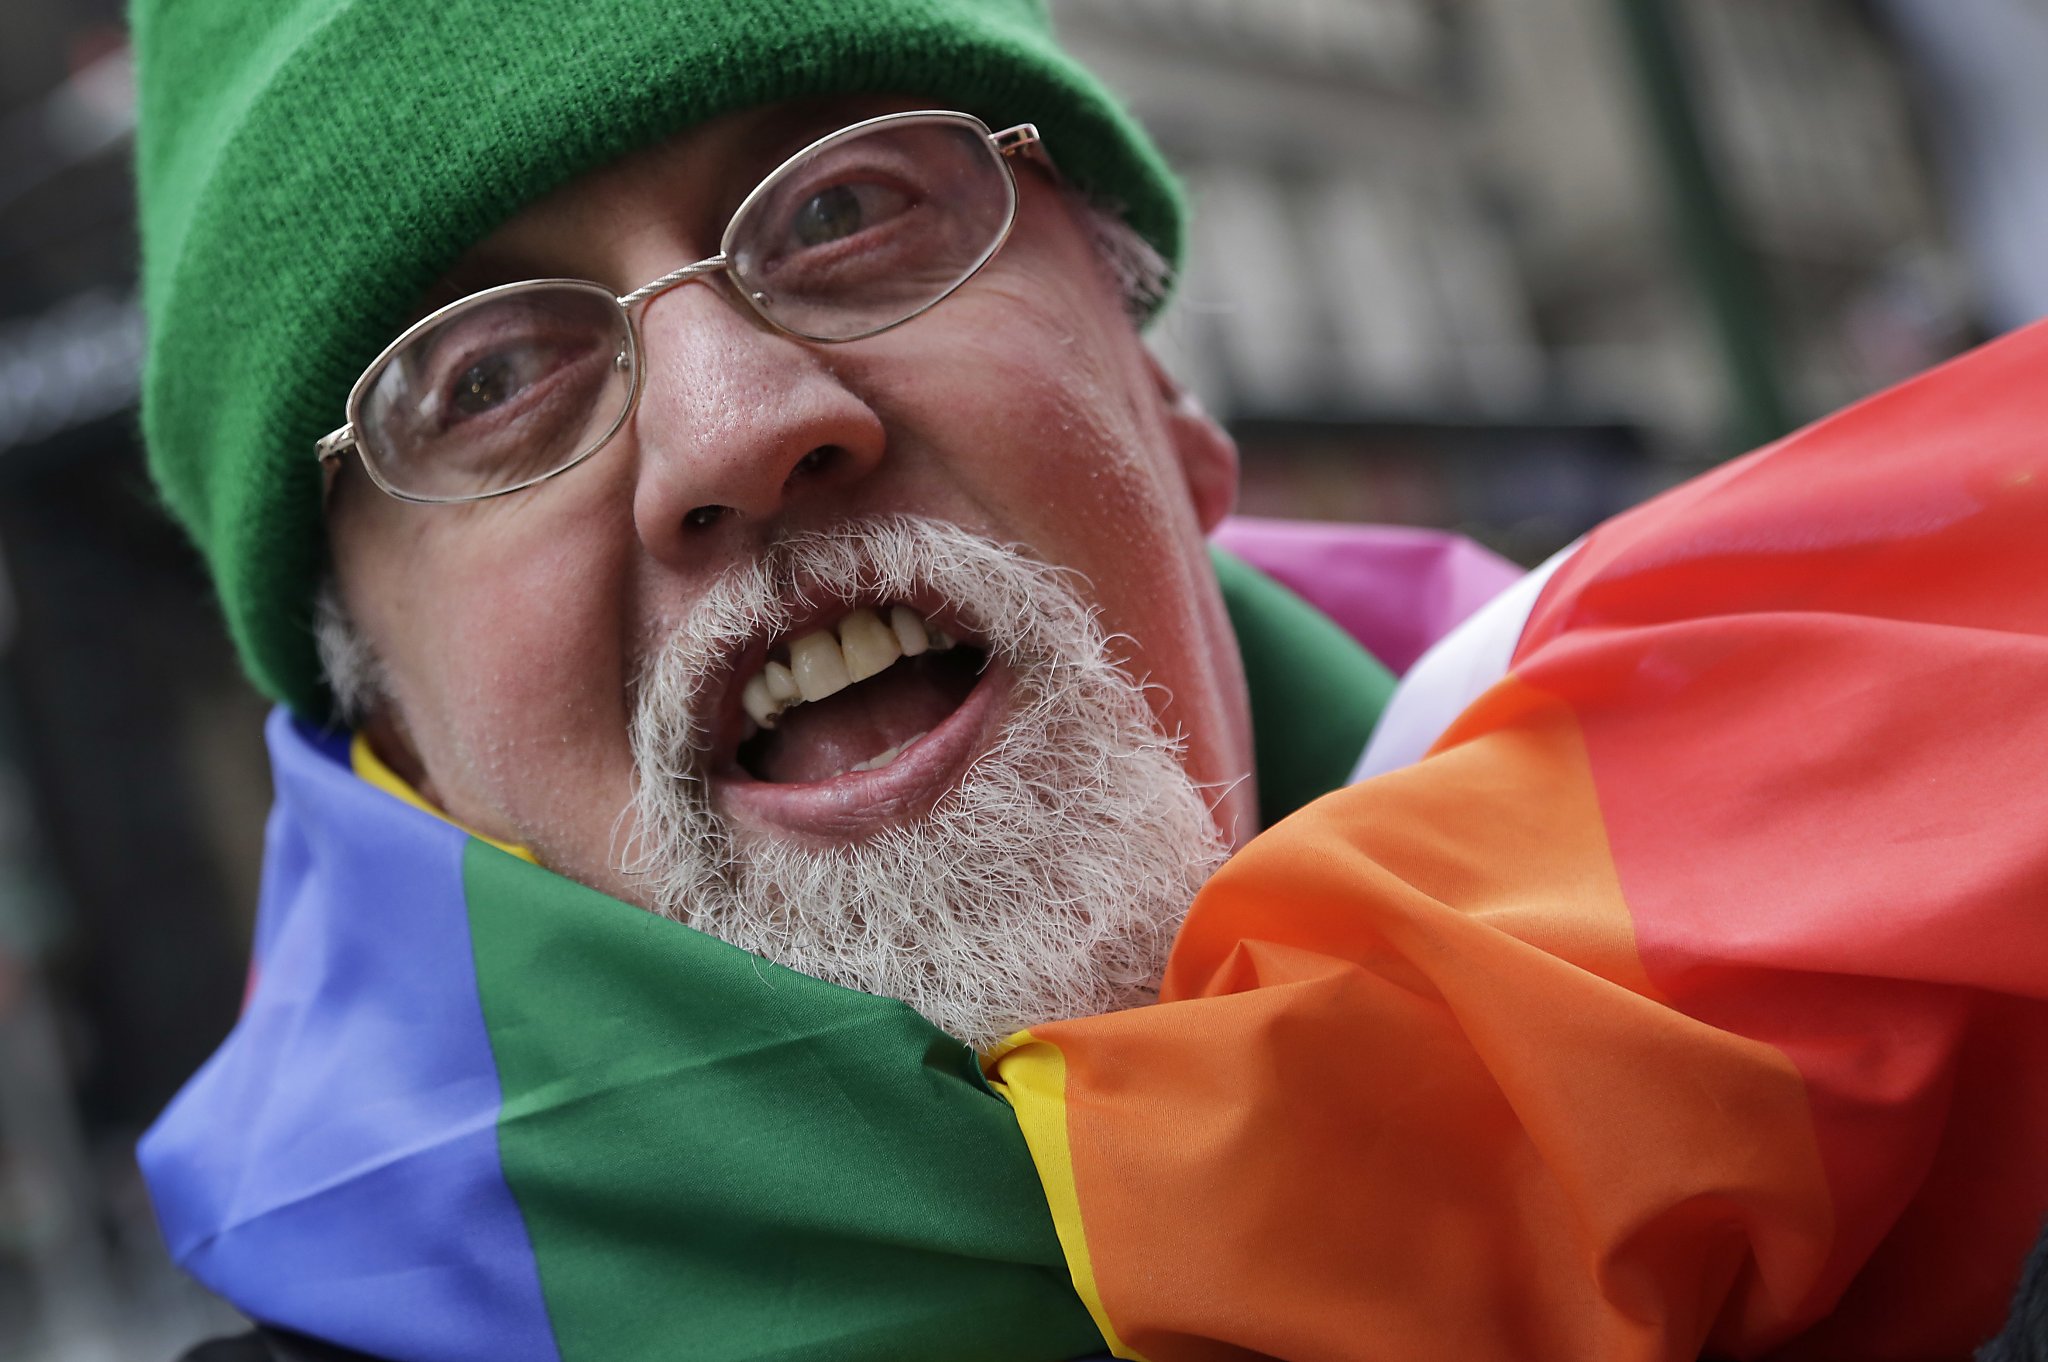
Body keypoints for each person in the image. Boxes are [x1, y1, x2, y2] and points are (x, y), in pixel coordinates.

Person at [130, 1, 2048, 1359]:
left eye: (844, 208)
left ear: (1172, 410)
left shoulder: (1959, 1022)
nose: (734, 427)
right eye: (483, 384)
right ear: (386, 725)